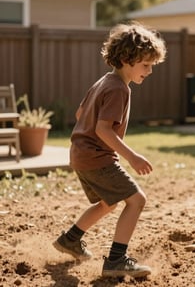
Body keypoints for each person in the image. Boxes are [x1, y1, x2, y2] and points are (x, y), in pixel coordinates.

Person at [52, 22, 166, 278]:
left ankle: (71, 239)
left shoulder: (104, 81)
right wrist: (132, 157)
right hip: (96, 157)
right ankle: (117, 259)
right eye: (146, 65)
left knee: (108, 202)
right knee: (137, 200)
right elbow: (104, 130)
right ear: (127, 59)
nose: (149, 71)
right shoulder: (118, 88)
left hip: (80, 155)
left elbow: (81, 113)